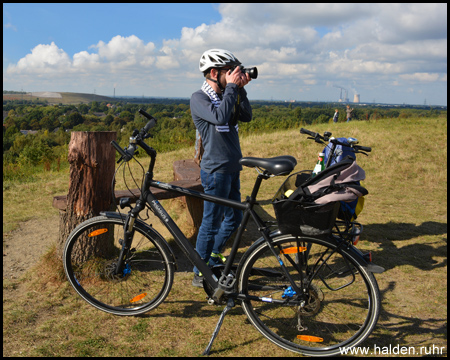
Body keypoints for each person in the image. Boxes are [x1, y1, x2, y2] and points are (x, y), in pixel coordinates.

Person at [190, 49, 253, 287]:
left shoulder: (229, 94)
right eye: (230, 71)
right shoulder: (199, 98)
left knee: (234, 217)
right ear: (214, 73)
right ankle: (200, 271)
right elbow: (221, 117)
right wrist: (231, 89)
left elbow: (245, 116)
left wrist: (241, 88)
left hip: (232, 166)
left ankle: (213, 254)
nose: (234, 76)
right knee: (211, 221)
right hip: (215, 170)